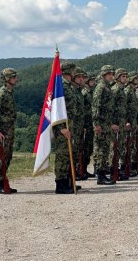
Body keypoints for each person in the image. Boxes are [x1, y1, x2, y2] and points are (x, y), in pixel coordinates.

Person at [0, 68, 18, 194]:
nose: (16, 79)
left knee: (7, 156)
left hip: (9, 130)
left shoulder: (9, 93)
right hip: (2, 131)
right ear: (7, 79)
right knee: (0, 157)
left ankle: (3, 182)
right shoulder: (1, 94)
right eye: (13, 77)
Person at [52, 62, 81, 193]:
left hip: (71, 125)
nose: (75, 72)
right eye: (74, 70)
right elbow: (56, 108)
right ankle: (61, 184)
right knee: (63, 155)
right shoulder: (61, 85)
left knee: (71, 155)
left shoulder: (69, 86)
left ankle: (69, 181)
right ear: (69, 71)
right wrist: (61, 127)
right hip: (62, 127)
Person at [92, 65, 118, 185]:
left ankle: (103, 174)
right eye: (109, 74)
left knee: (105, 149)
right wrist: (96, 124)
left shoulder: (107, 87)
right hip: (101, 124)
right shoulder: (101, 87)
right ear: (103, 75)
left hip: (106, 124)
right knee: (101, 149)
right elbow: (96, 106)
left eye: (112, 74)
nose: (111, 76)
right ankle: (100, 176)